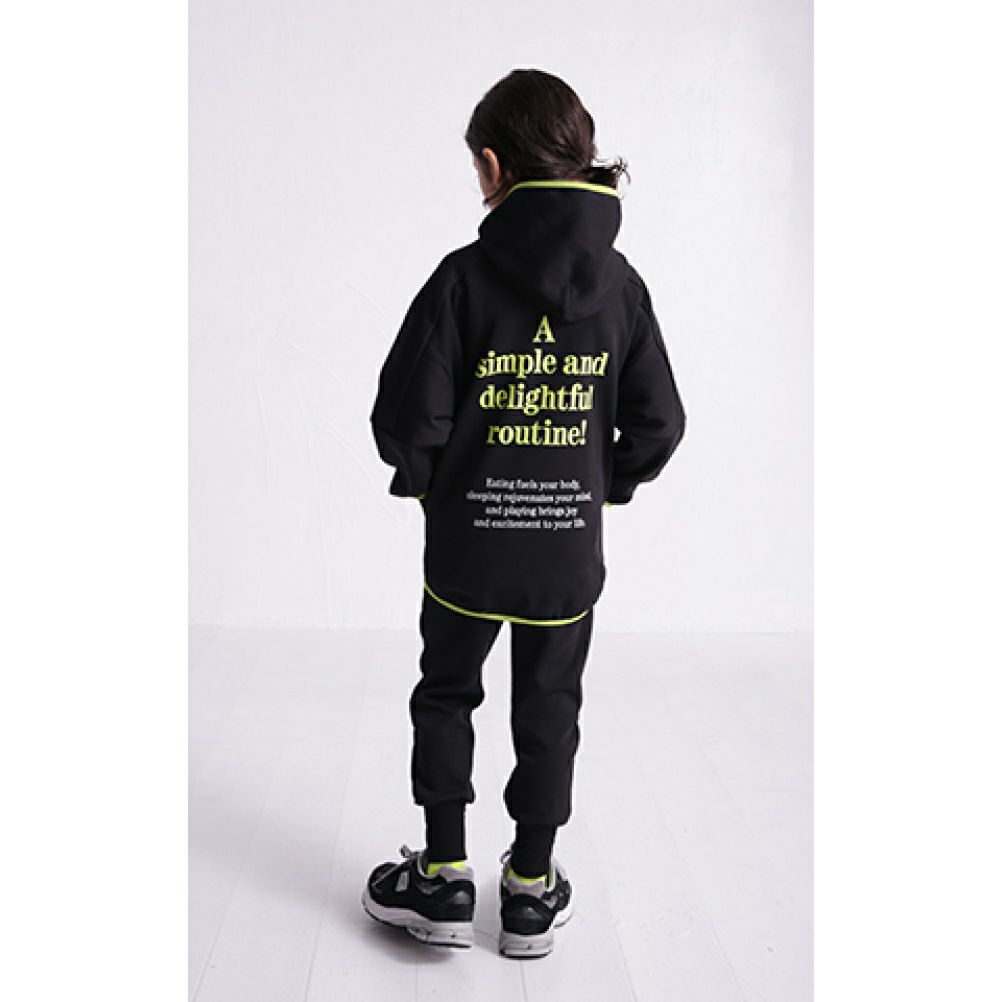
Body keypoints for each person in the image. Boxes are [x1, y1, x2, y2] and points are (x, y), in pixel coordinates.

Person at [361, 68, 686, 958]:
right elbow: (660, 423)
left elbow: (404, 419)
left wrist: (432, 484)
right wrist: (599, 484)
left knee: (446, 695)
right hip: (564, 556)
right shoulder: (621, 288)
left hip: (468, 549)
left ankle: (442, 876)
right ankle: (532, 888)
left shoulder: (462, 280)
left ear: (492, 166)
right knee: (550, 709)